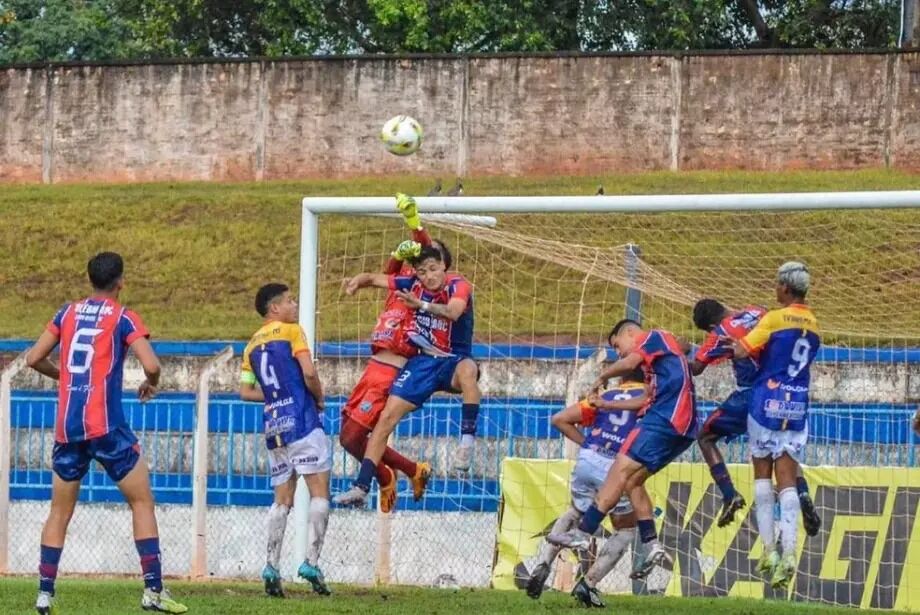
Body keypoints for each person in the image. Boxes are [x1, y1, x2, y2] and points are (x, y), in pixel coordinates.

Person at [25, 252, 187, 614]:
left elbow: (33, 358)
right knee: (141, 501)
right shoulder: (123, 316)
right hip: (107, 426)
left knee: (58, 512)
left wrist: (66, 378)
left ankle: (45, 593)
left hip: (68, 427)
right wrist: (150, 382)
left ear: (90, 280)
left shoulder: (66, 313)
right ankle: (153, 592)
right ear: (121, 281)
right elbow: (153, 363)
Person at [548, 320, 699, 581]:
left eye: (618, 346)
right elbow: (645, 398)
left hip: (664, 419)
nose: (619, 353)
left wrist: (602, 376)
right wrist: (604, 406)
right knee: (633, 481)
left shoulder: (652, 337)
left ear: (630, 333)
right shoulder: (658, 370)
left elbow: (629, 364)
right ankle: (653, 545)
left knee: (619, 471)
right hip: (685, 428)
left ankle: (582, 534)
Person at [334, 246, 479, 507]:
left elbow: (454, 311)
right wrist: (358, 281)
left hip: (453, 360)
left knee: (469, 371)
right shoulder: (409, 284)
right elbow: (377, 278)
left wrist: (421, 304)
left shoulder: (458, 285)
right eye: (422, 272)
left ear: (444, 266)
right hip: (422, 363)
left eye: (433, 269)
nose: (428, 276)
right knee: (385, 419)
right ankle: (362, 485)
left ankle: (466, 442)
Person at [690, 299, 820, 535]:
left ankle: (729, 494)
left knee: (705, 436)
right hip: (783, 394)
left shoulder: (720, 332)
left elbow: (697, 367)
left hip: (752, 396)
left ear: (710, 325)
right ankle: (803, 493)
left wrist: (674, 358)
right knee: (784, 450)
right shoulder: (758, 312)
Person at [339, 194, 433, 513]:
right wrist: (395, 254)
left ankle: (385, 475)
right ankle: (409, 470)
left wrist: (414, 224)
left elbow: (427, 255)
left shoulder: (421, 301)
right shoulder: (395, 296)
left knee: (353, 437)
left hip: (389, 376)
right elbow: (388, 272)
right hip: (371, 371)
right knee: (346, 438)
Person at [526, 367, 647, 608]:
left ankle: (544, 563)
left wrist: (587, 444)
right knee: (625, 529)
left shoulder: (607, 396)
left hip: (588, 459)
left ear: (622, 378)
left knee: (575, 511)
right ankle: (588, 583)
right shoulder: (647, 398)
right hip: (616, 465)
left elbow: (559, 419)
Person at [239, 284, 331, 597]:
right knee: (319, 493)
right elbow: (308, 372)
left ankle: (270, 566)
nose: (295, 304)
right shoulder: (292, 331)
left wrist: (276, 396)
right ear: (274, 308)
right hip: (302, 420)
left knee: (282, 500)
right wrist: (318, 397)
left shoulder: (251, 345)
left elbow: (245, 392)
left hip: (275, 426)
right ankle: (311, 562)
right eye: (290, 300)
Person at [734, 261, 820, 589]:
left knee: (762, 477)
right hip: (797, 404)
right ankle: (790, 557)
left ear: (784, 287)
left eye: (776, 284)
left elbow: (743, 350)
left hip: (766, 403)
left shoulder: (773, 318)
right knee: (787, 481)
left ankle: (769, 551)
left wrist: (732, 340)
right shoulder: (814, 323)